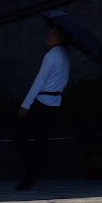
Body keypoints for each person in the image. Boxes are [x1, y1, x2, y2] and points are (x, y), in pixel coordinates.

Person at [14, 23, 70, 190]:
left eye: (53, 34)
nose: (48, 37)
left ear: (60, 39)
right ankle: (31, 174)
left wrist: (26, 104)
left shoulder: (51, 55)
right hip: (54, 104)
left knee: (19, 138)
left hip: (41, 103)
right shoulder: (65, 56)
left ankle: (31, 170)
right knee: (40, 141)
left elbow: (40, 80)